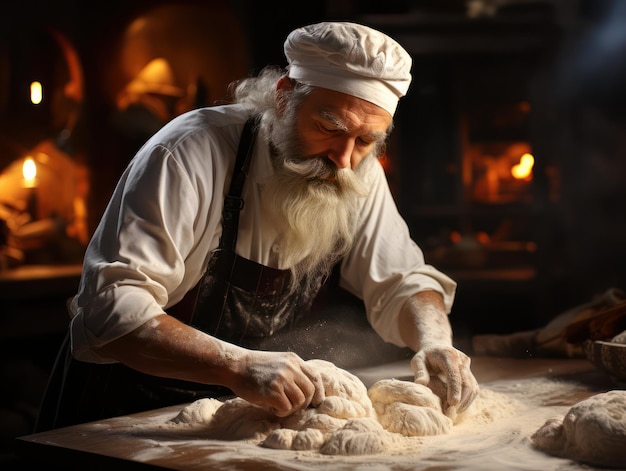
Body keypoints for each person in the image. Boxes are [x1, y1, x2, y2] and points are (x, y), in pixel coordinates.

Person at [35, 21, 479, 432]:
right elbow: (112, 306)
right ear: (285, 97)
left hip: (230, 420)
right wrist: (238, 365)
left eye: (365, 141)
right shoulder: (189, 152)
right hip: (121, 412)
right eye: (328, 127)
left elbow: (402, 279)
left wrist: (435, 341)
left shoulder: (354, 169)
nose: (343, 160)